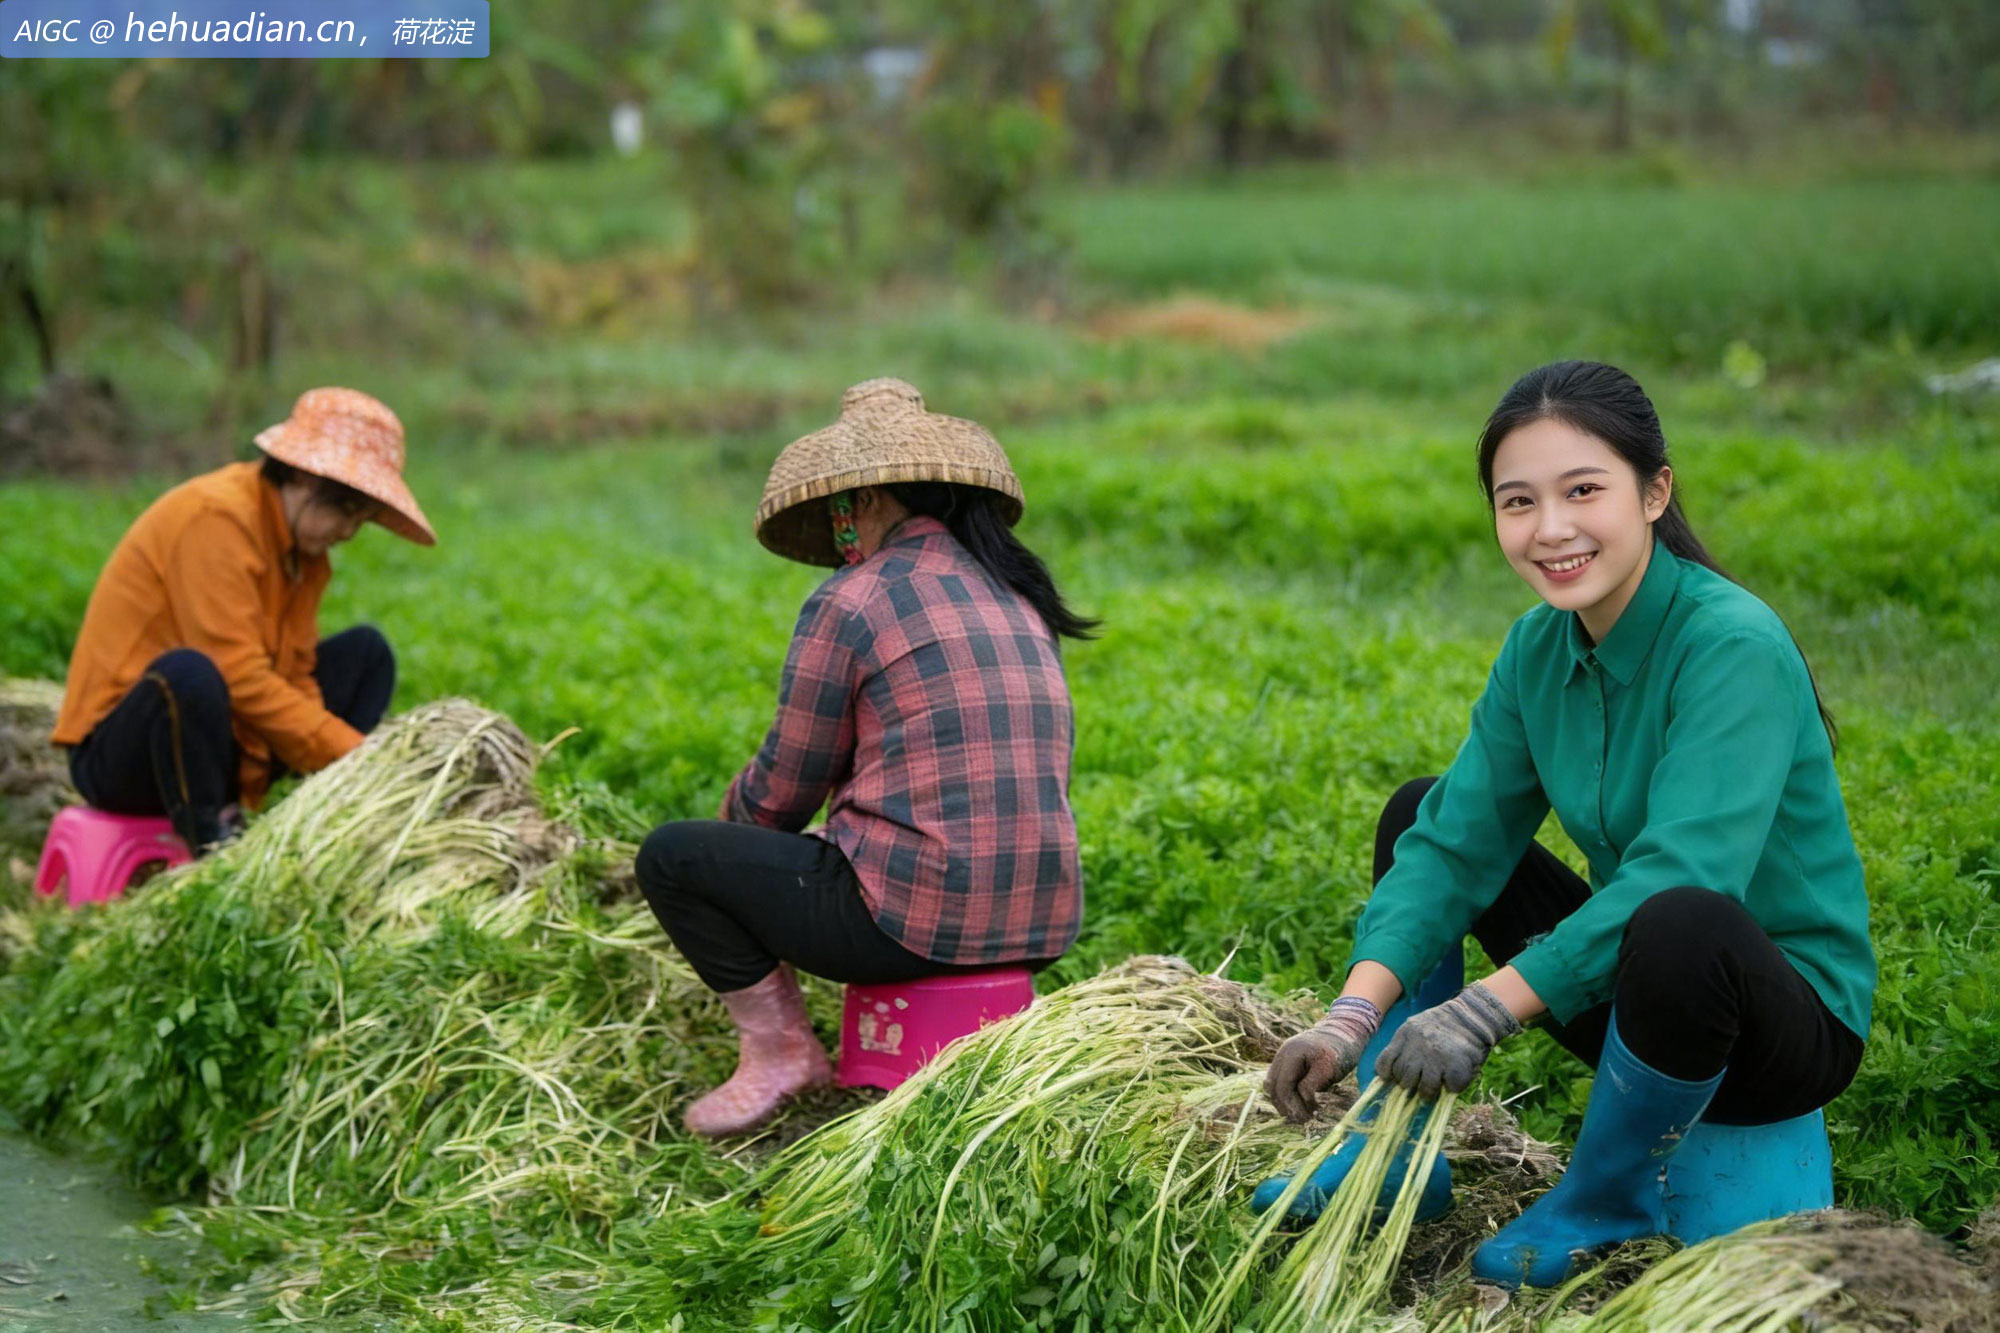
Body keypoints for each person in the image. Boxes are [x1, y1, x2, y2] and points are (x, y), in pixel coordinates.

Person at [1255, 361, 1875, 1288]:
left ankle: (1604, 1194)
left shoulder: (1731, 645)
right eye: (1518, 502)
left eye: (1583, 490)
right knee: (1421, 811)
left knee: (1682, 914)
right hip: (1640, 991)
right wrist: (1351, 1021)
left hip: (1776, 1023)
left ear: (1655, 490)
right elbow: (1457, 843)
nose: (1551, 529)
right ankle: (1393, 1148)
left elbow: (1684, 868)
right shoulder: (1537, 647)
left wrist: (1480, 1011)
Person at [637, 378, 1095, 1138]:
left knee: (675, 857)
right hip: (1042, 922)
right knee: (807, 853)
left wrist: (733, 850)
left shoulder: (852, 599)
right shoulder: (1019, 597)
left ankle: (782, 1052)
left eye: (843, 509)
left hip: (910, 923)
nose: (841, 526)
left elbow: (782, 791)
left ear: (874, 498)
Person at [52, 387, 435, 854]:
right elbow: (236, 674)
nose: (349, 532)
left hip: (221, 739)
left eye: (362, 519)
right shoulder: (217, 518)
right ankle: (211, 842)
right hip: (127, 751)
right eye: (345, 511)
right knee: (190, 675)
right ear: (302, 478)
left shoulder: (305, 555)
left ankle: (330, 814)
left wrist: (340, 757)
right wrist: (354, 753)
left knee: (367, 655)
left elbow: (295, 673)